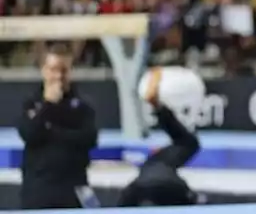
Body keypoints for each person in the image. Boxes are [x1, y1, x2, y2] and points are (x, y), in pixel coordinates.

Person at [17, 46, 99, 210]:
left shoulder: (83, 105)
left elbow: (89, 139)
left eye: (64, 70)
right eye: (54, 70)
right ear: (43, 71)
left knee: (94, 207)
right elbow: (29, 133)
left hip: (76, 186)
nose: (59, 76)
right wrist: (48, 105)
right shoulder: (30, 103)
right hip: (39, 188)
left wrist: (52, 132)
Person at [116, 72, 202, 207]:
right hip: (169, 185)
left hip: (142, 188)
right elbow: (188, 141)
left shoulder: (152, 165)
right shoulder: (161, 160)